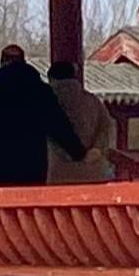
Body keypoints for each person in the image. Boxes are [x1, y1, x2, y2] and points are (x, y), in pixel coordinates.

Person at [0, 44, 71, 187]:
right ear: (23, 61)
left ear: (2, 62)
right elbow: (58, 124)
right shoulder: (40, 89)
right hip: (34, 167)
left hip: (0, 167)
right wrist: (78, 153)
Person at [43, 54, 114, 184]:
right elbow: (106, 128)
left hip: (57, 173)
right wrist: (96, 150)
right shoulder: (93, 101)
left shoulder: (45, 102)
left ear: (51, 78)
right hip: (94, 173)